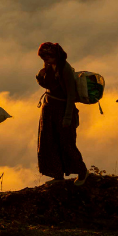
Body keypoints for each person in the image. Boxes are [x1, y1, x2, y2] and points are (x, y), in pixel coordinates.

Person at [36, 42, 89, 185]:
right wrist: (40, 77)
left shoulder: (64, 69)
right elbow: (50, 86)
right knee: (49, 142)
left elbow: (70, 94)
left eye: (47, 57)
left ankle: (82, 172)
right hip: (49, 109)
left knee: (67, 143)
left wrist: (67, 117)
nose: (45, 60)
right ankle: (57, 174)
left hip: (62, 109)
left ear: (54, 55)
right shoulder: (49, 66)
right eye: (43, 58)